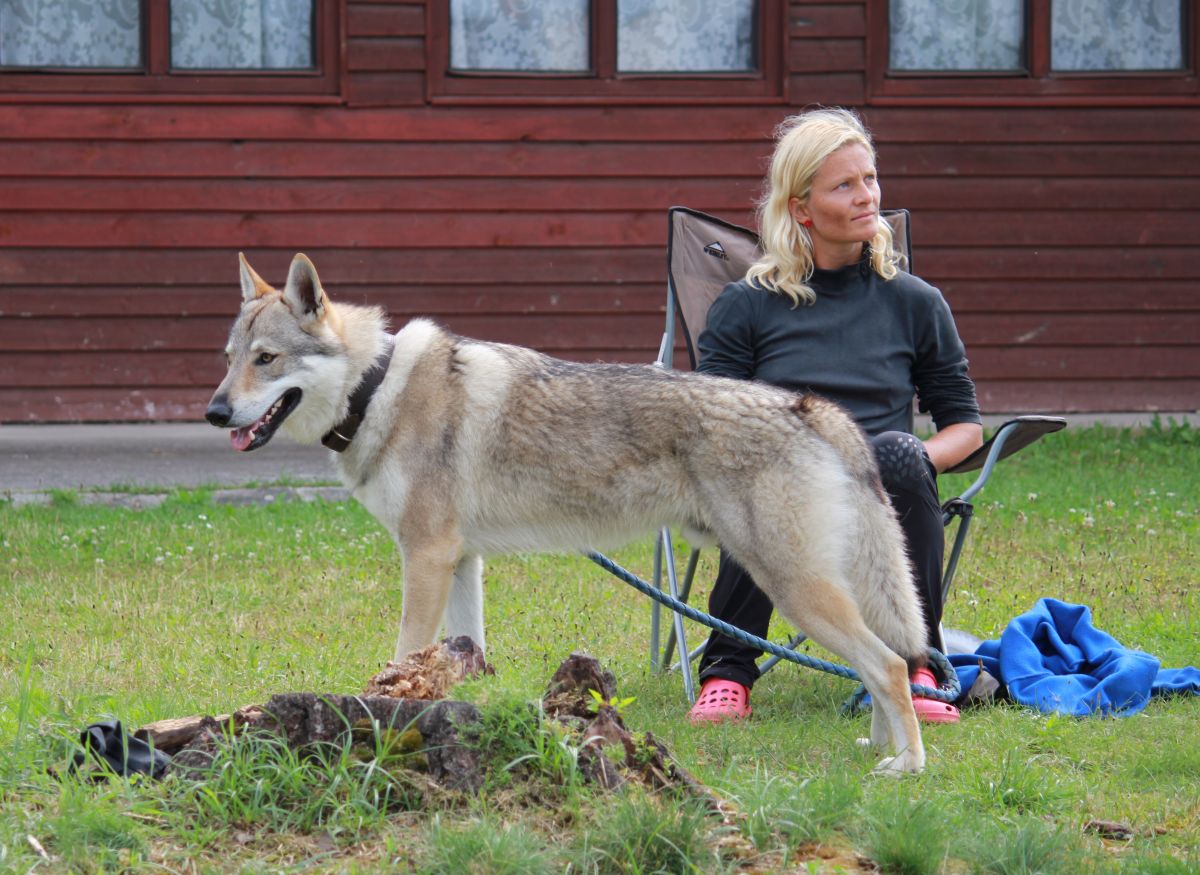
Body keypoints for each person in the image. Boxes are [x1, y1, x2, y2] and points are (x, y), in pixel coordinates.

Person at [687, 107, 983, 725]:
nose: (866, 196)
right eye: (844, 185)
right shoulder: (746, 306)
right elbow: (709, 423)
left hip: (883, 488)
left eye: (870, 179)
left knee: (900, 452)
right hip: (778, 489)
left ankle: (918, 664)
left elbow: (964, 425)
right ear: (801, 208)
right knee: (762, 469)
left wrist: (907, 460)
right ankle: (727, 671)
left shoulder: (916, 303)